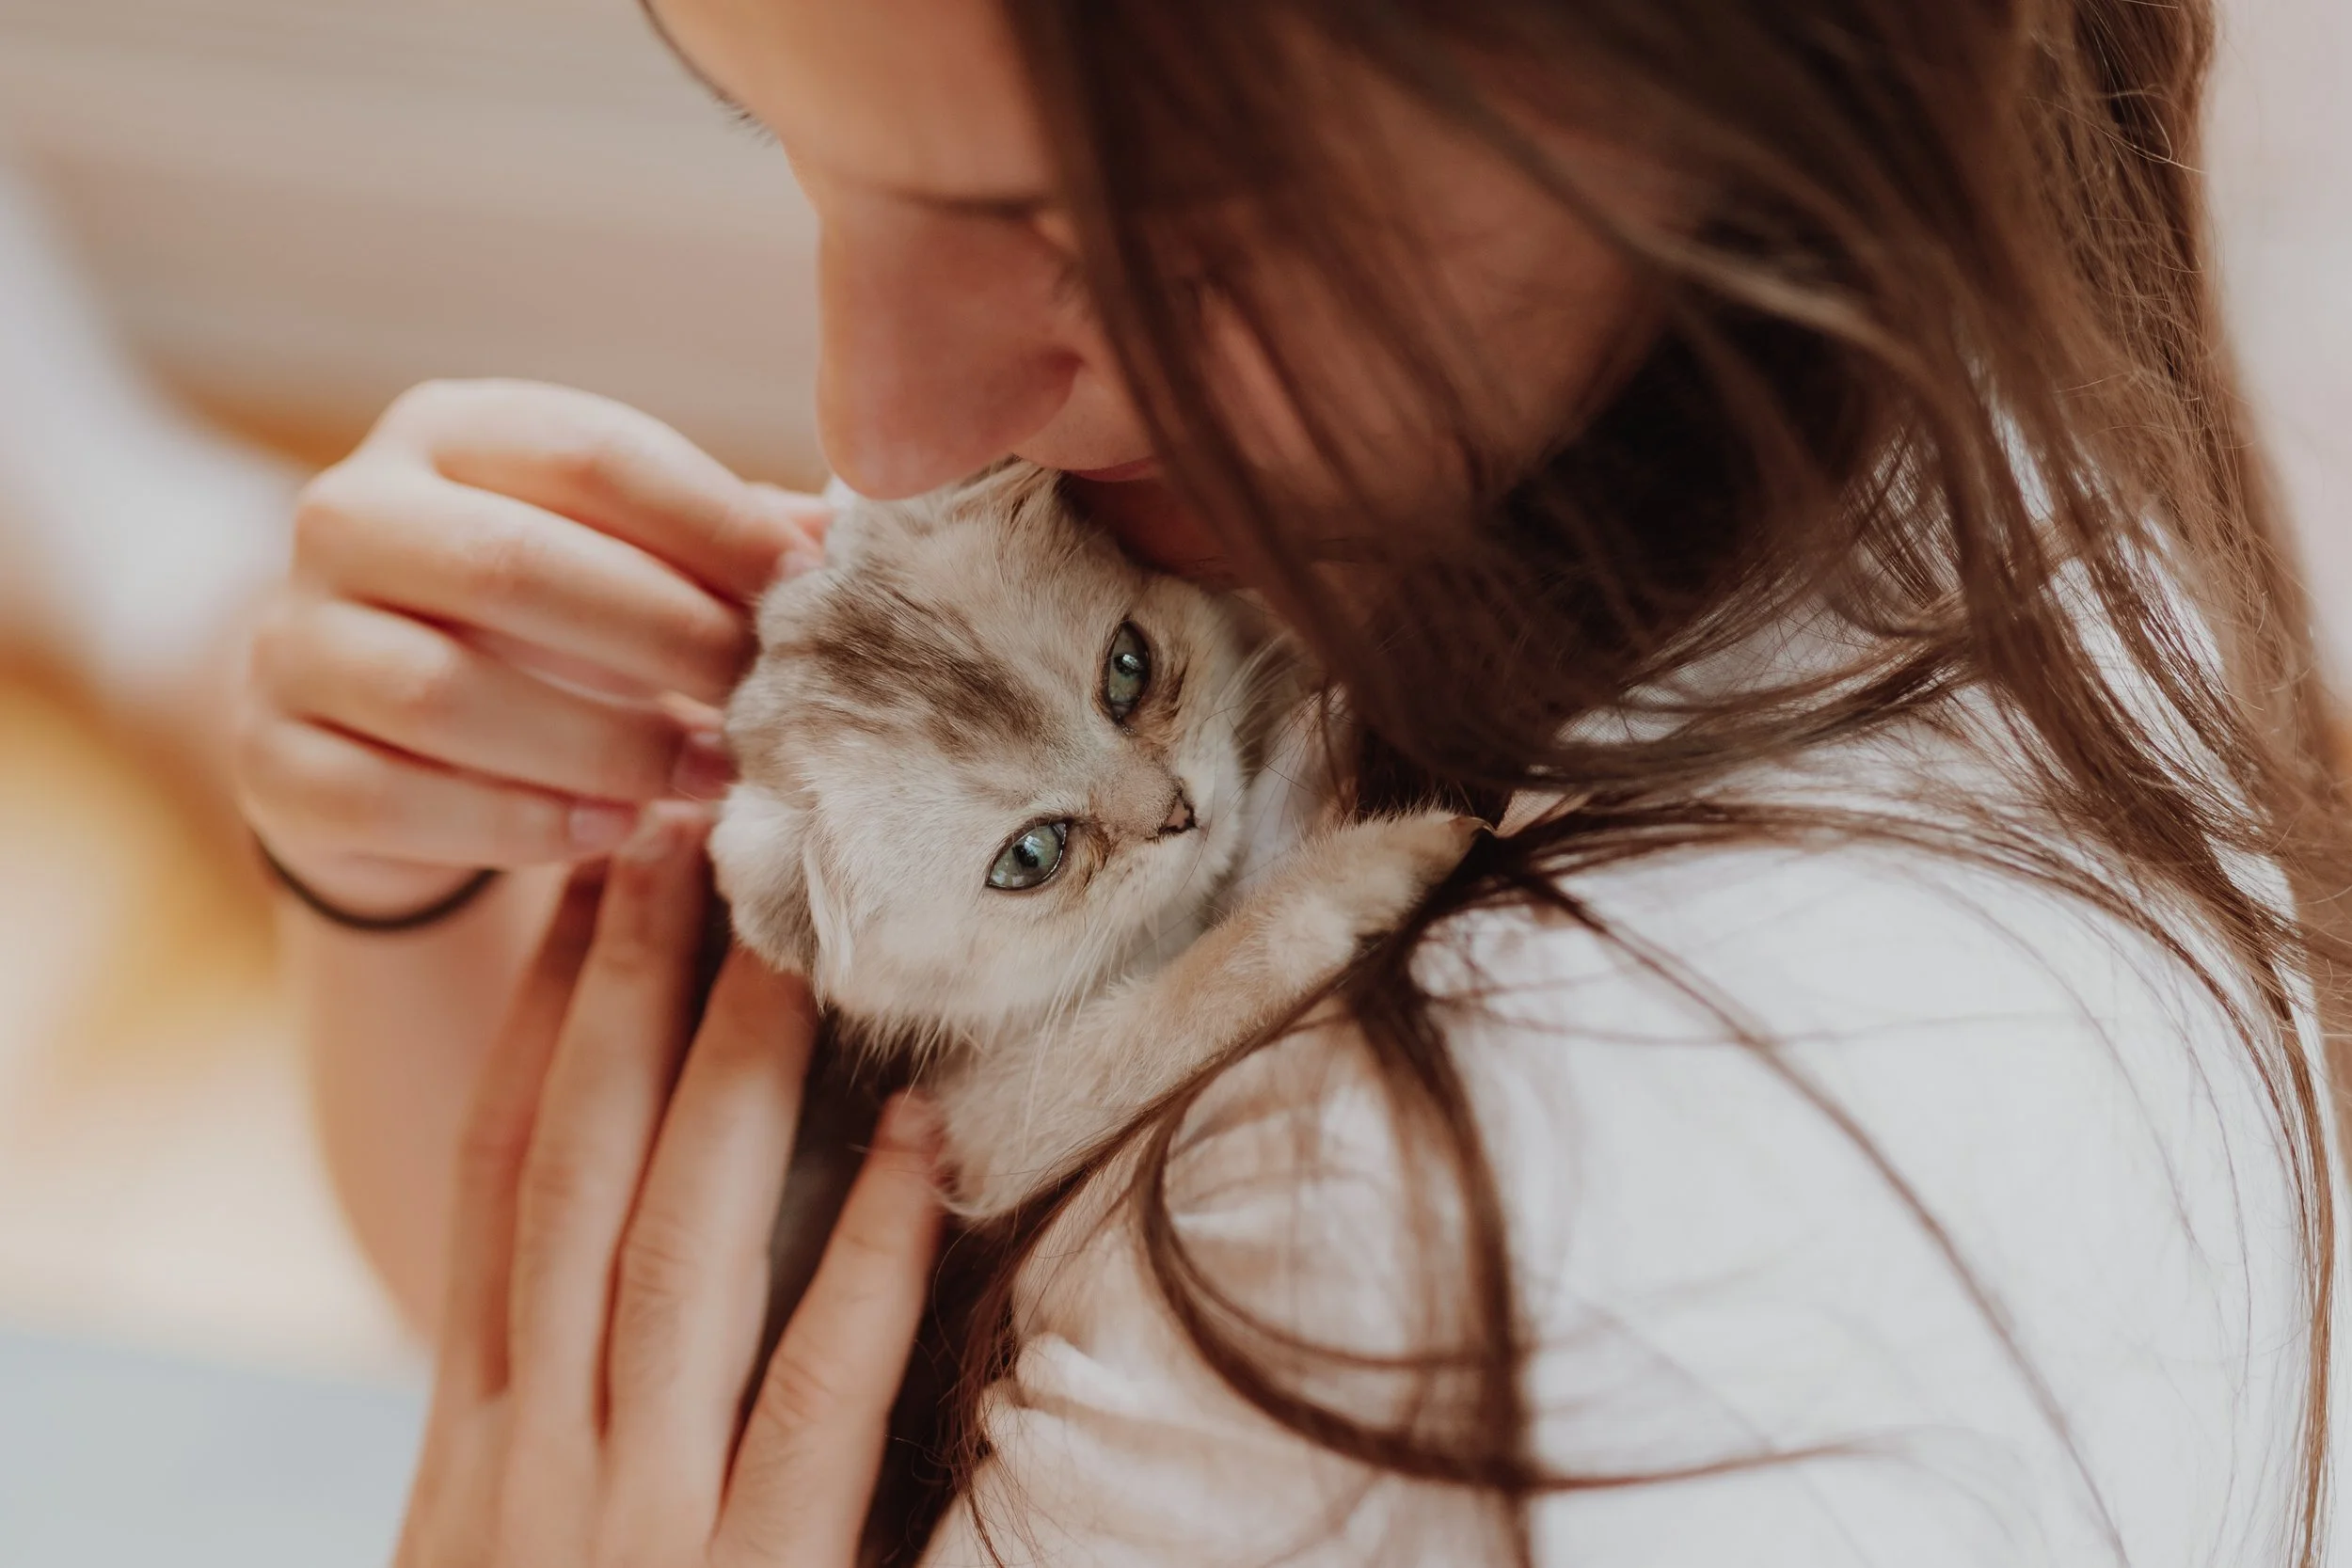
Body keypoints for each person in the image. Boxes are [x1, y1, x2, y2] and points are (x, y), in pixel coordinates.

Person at [231, 1, 2352, 1564]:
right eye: (778, 127)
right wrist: (386, 864)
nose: (874, 424)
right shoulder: (1853, 443)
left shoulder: (1437, 1269)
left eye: (1127, 237)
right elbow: (625, 1395)